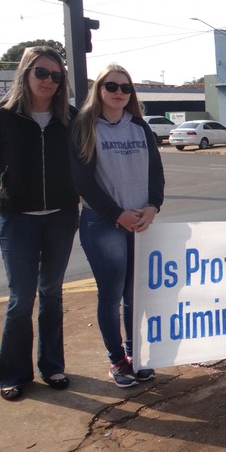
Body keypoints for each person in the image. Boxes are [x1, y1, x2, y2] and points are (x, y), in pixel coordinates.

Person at [0, 46, 79, 401]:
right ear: (25, 73)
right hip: (17, 220)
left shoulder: (68, 117)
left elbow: (81, 160)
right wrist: (1, 190)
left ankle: (52, 366)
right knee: (20, 298)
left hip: (61, 216)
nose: (49, 81)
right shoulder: (1, 115)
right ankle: (13, 373)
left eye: (56, 76)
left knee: (52, 294)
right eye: (42, 73)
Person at [70, 63, 165, 387]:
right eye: (112, 86)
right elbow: (82, 180)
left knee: (134, 295)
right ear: (99, 90)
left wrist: (153, 206)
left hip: (139, 222)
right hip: (103, 223)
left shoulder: (140, 127)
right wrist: (116, 213)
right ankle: (117, 361)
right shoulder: (85, 126)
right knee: (110, 296)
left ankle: (135, 355)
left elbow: (156, 172)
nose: (119, 93)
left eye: (126, 87)